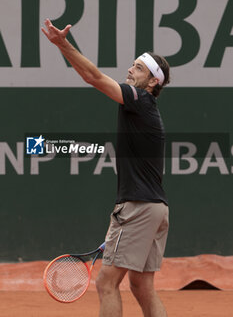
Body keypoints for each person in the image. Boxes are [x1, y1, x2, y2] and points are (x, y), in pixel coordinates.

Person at [42, 19, 170, 317]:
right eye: (133, 64)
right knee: (142, 286)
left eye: (138, 68)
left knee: (106, 283)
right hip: (155, 210)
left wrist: (63, 44)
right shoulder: (146, 108)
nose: (130, 70)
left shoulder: (139, 99)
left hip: (137, 208)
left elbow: (93, 77)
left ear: (153, 82)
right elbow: (94, 77)